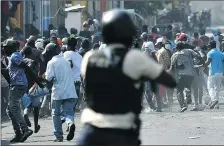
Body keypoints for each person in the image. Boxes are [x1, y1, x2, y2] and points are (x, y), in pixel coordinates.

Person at [77, 10, 176, 146]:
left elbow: (88, 79)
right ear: (130, 34)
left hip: (92, 131)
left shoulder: (90, 57)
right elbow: (170, 81)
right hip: (122, 132)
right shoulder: (135, 57)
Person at [3, 39, 34, 142]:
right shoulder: (13, 56)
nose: (3, 49)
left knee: (14, 108)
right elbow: (11, 69)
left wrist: (37, 80)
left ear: (10, 48)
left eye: (5, 47)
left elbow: (24, 65)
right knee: (10, 110)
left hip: (18, 85)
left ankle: (25, 129)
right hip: (17, 84)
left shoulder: (14, 55)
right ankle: (18, 133)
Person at [169, 41, 199, 112]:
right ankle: (187, 92)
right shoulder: (189, 51)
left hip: (181, 75)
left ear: (177, 48)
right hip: (191, 74)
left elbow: (172, 67)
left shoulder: (175, 55)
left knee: (179, 91)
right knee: (187, 87)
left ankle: (182, 105)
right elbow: (198, 56)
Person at [201, 40, 224, 109]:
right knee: (217, 88)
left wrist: (202, 65)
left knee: (210, 87)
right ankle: (216, 104)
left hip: (213, 73)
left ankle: (214, 100)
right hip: (220, 72)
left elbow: (208, 62)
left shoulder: (210, 53)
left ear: (210, 46)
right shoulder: (220, 53)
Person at [63, 37, 83, 112]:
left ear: (68, 46)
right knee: (72, 106)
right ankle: (70, 122)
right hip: (77, 82)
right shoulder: (80, 56)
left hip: (69, 82)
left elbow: (70, 64)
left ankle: (66, 120)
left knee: (66, 106)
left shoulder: (67, 54)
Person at [156, 39, 173, 104]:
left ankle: (164, 100)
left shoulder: (159, 51)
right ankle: (167, 100)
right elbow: (168, 62)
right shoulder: (165, 51)